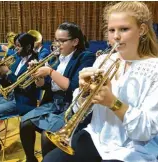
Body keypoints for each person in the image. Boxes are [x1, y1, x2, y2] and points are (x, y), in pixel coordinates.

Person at [42, 2, 158, 162]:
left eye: (124, 29)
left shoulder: (155, 69)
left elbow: (146, 130)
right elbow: (77, 110)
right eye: (112, 30)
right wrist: (84, 93)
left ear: (142, 30)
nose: (116, 36)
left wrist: (112, 102)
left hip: (134, 148)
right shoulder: (104, 60)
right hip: (97, 136)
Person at [20, 22, 96, 162]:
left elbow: (74, 87)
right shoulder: (56, 58)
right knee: (24, 123)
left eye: (62, 41)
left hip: (71, 106)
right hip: (54, 103)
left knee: (46, 136)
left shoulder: (85, 57)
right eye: (56, 40)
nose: (57, 44)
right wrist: (38, 76)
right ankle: (31, 159)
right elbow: (45, 86)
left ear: (75, 41)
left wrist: (49, 71)